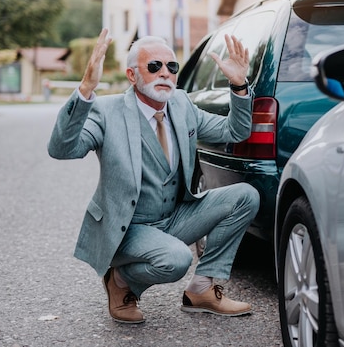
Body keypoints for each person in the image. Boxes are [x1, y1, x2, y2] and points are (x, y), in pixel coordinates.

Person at [48, 28, 259, 324]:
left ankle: (202, 289)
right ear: (132, 76)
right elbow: (61, 149)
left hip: (173, 217)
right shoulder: (107, 111)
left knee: (245, 196)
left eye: (171, 67)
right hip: (127, 227)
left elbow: (235, 132)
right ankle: (120, 280)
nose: (165, 73)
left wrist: (238, 86)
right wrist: (85, 91)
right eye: (154, 66)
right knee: (177, 259)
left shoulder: (182, 105)